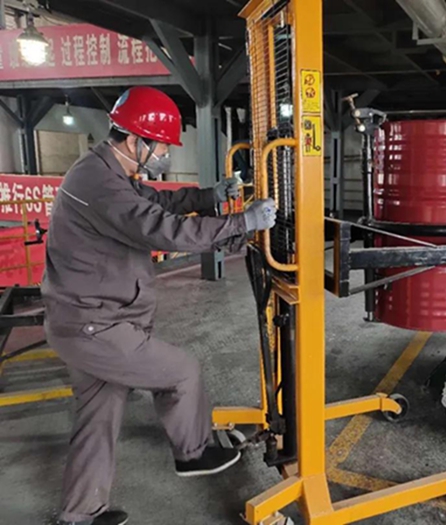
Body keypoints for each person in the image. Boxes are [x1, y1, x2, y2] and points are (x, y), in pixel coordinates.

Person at [42, 86, 276, 525]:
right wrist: (242, 222)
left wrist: (210, 196)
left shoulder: (109, 172)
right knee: (181, 372)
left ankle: (78, 515)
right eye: (163, 146)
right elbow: (163, 229)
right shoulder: (98, 183)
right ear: (136, 141)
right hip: (95, 326)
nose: (166, 154)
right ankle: (193, 453)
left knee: (97, 418)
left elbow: (158, 201)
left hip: (85, 321)